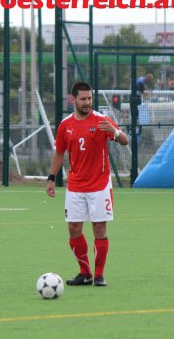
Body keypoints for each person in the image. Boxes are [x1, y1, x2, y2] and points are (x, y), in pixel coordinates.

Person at [46, 82, 129, 287]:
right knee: (74, 228)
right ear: (73, 99)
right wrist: (51, 178)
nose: (87, 102)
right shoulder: (65, 125)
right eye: (83, 99)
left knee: (99, 228)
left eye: (90, 98)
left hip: (100, 185)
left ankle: (99, 275)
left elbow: (125, 141)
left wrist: (115, 132)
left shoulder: (101, 121)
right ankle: (85, 273)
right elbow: (59, 153)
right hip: (75, 186)